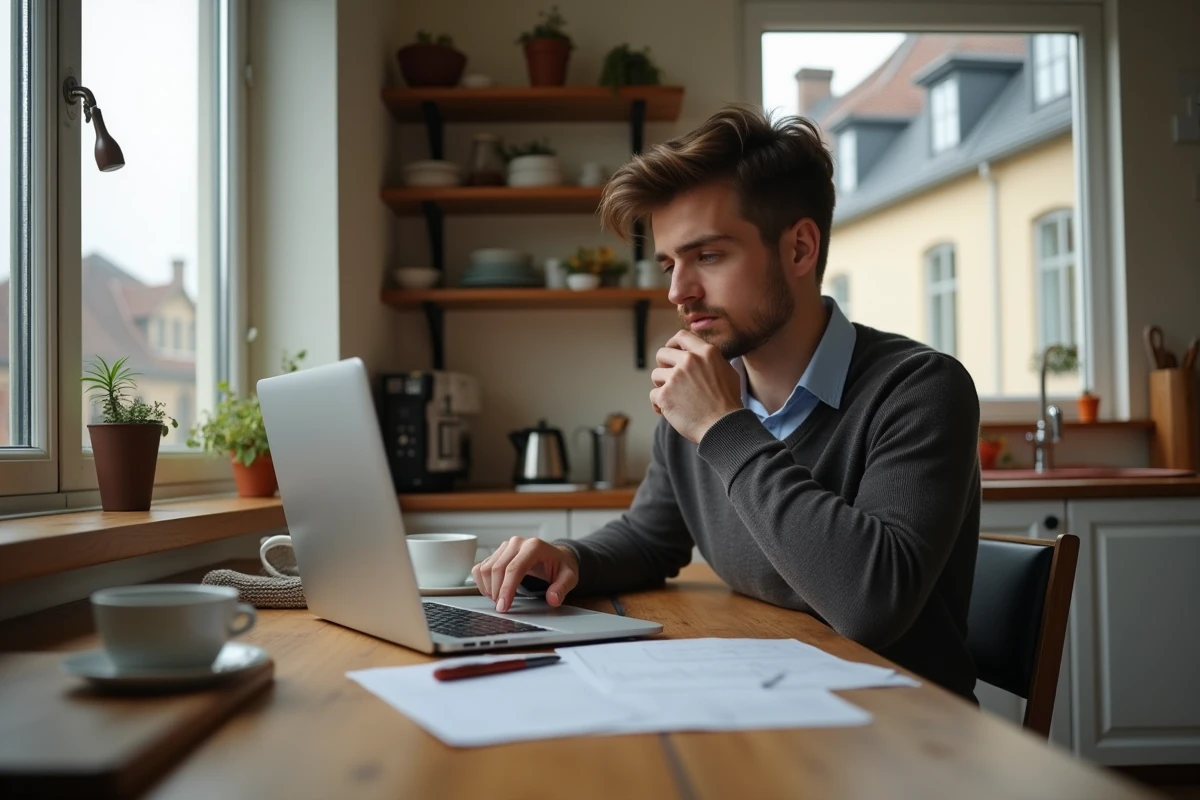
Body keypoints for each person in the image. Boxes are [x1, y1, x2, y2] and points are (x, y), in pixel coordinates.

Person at [471, 105, 982, 701]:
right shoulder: (702, 394)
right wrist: (569, 558)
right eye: (670, 264)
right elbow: (651, 537)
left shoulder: (919, 388)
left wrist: (723, 426)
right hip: (768, 699)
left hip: (905, 726)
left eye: (708, 256)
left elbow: (871, 604)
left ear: (799, 249)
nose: (677, 291)